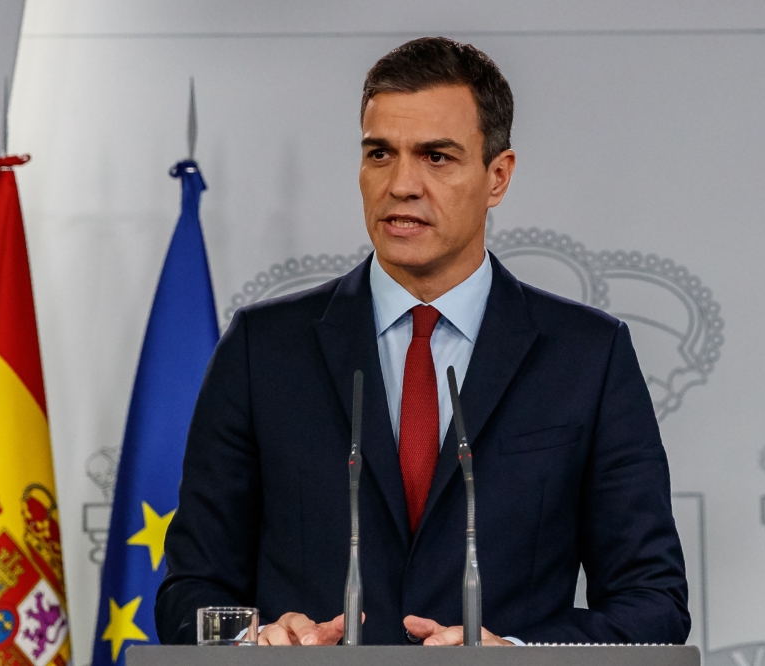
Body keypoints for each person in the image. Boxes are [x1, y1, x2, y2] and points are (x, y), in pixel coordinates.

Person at [155, 36, 690, 647]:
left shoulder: (588, 357)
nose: (402, 184)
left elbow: (655, 604)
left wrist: (516, 655)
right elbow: (189, 591)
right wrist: (257, 641)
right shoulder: (262, 350)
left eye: (436, 157)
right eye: (380, 153)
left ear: (498, 176)